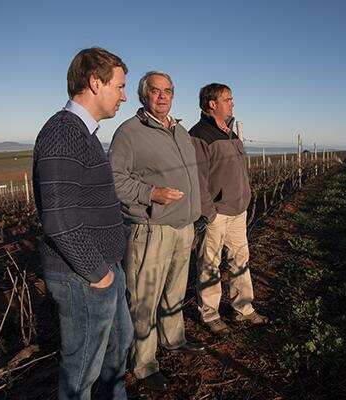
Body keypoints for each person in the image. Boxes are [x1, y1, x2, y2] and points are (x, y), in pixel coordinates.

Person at [32, 47, 133, 400]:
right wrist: (99, 275)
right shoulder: (63, 133)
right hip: (83, 276)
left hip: (104, 269)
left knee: (117, 355)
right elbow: (60, 219)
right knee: (81, 374)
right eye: (119, 86)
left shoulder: (84, 133)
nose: (124, 95)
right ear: (94, 82)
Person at [109, 71, 204, 391]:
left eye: (168, 91)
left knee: (176, 290)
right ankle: (145, 363)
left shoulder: (180, 130)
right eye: (155, 91)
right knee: (144, 298)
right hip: (150, 229)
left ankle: (174, 339)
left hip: (183, 225)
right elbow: (115, 180)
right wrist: (151, 193)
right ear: (143, 95)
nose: (162, 96)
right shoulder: (129, 132)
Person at [189, 83, 268, 336]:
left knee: (240, 259)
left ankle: (243, 308)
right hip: (217, 212)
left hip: (238, 210)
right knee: (209, 263)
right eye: (227, 99)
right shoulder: (200, 134)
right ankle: (210, 313)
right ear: (212, 104)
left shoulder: (231, 134)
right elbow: (197, 179)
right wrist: (208, 211)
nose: (232, 103)